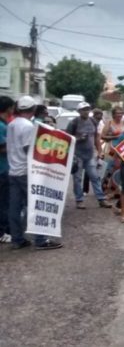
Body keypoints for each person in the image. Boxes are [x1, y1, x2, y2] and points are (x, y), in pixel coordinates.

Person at [8, 96, 62, 250]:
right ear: (33, 109)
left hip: (14, 171)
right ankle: (40, 240)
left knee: (14, 207)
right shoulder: (27, 126)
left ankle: (17, 239)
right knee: (36, 205)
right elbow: (28, 150)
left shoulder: (12, 124)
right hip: (26, 172)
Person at [67, 102, 112, 209]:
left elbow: (96, 137)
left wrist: (99, 151)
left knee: (95, 177)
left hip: (90, 155)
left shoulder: (92, 121)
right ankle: (79, 200)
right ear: (79, 111)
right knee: (77, 179)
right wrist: (78, 138)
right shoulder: (74, 122)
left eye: (87, 109)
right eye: (83, 109)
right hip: (77, 155)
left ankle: (101, 199)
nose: (86, 111)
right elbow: (67, 138)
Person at [0, 96, 13, 244]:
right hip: (2, 170)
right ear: (8, 108)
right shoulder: (1, 126)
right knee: (3, 202)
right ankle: (2, 232)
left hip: (4, 168)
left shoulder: (5, 124)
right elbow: (2, 148)